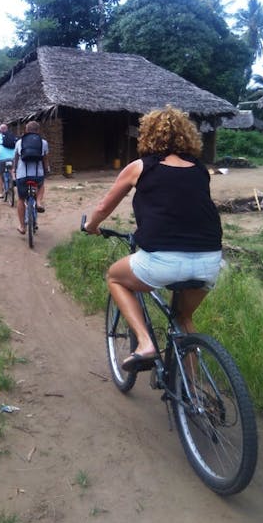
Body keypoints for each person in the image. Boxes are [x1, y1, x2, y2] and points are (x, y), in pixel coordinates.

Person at [84, 106, 223, 372]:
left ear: (148, 135)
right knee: (183, 317)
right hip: (209, 261)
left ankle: (146, 344)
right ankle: (193, 398)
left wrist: (92, 226)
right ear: (187, 135)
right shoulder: (199, 169)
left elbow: (103, 207)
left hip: (162, 261)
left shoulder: (139, 167)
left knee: (115, 277)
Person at [11, 121, 49, 235]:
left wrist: (14, 170)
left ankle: (22, 227)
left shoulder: (19, 142)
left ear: (26, 130)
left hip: (22, 175)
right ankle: (38, 202)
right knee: (41, 185)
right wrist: (46, 170)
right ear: (38, 130)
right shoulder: (43, 143)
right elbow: (45, 159)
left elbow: (15, 159)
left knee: (21, 199)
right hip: (37, 175)